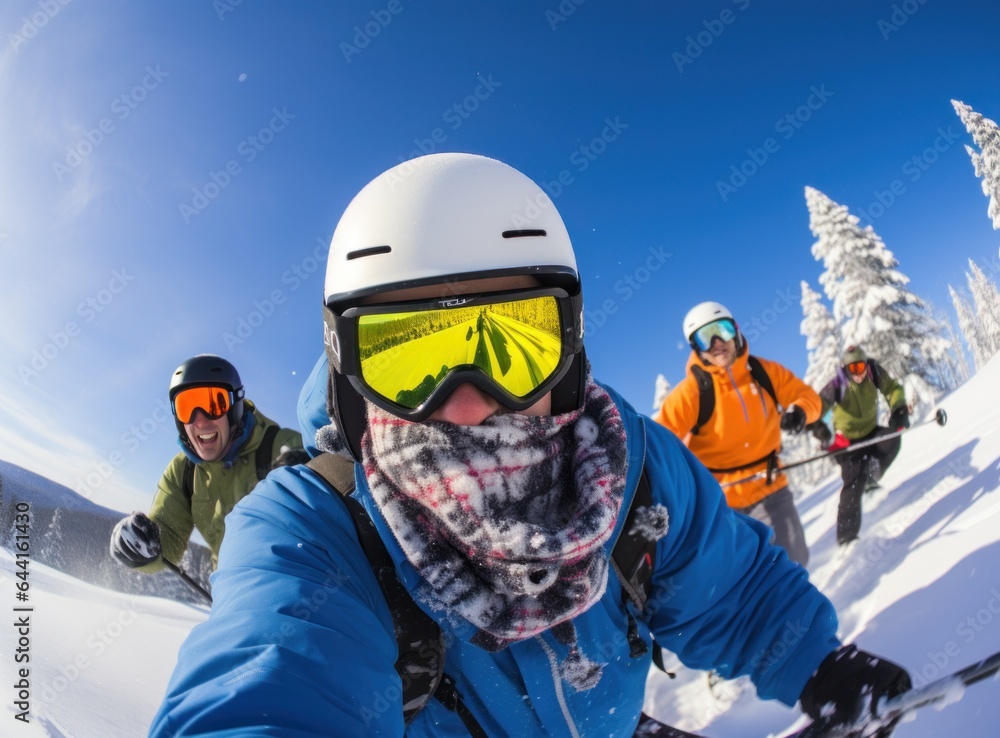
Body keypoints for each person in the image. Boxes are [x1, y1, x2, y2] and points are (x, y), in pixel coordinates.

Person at [150, 154, 910, 737]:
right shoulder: (312, 533)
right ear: (353, 374)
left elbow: (731, 587)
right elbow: (270, 680)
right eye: (407, 357)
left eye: (513, 344)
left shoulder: (633, 469)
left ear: (570, 353)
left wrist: (817, 663)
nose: (471, 404)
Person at [654, 301, 821, 567]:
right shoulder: (692, 393)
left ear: (737, 331)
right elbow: (658, 443)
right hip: (721, 502)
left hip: (771, 485)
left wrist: (801, 411)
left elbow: (807, 397)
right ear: (696, 347)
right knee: (737, 578)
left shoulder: (765, 372)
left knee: (795, 562)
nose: (718, 342)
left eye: (723, 330)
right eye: (705, 337)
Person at [110, 354, 306, 573]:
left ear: (235, 408)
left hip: (293, 585)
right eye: (186, 407)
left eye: (214, 404)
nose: (201, 420)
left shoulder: (279, 446)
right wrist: (141, 545)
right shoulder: (183, 472)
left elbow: (334, 482)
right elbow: (169, 539)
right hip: (228, 593)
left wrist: (310, 475)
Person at [812, 345, 909, 546]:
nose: (859, 373)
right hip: (846, 443)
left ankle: (871, 479)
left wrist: (898, 409)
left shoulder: (873, 371)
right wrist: (817, 426)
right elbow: (816, 407)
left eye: (861, 367)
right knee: (854, 478)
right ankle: (847, 538)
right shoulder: (838, 384)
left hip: (870, 433)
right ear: (845, 369)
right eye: (853, 369)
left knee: (892, 439)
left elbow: (892, 389)